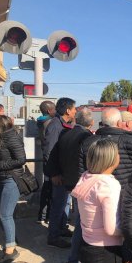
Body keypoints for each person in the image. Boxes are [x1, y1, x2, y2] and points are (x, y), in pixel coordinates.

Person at [47, 108, 94, 263]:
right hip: (78, 181)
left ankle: (55, 235)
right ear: (91, 122)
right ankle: (73, 255)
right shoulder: (86, 137)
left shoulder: (65, 133)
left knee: (59, 208)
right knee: (81, 218)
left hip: (63, 178)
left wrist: (54, 173)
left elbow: (54, 154)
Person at [72, 139, 123, 263]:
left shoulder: (86, 177)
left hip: (87, 244)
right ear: (109, 159)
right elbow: (111, 229)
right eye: (117, 153)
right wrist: (130, 233)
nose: (119, 155)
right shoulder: (108, 185)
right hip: (106, 250)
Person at [78, 108, 132, 188]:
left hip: (97, 195)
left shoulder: (87, 142)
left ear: (102, 122)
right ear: (119, 122)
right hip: (126, 194)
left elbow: (81, 173)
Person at [45, 97, 76, 248]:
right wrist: (54, 174)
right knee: (58, 206)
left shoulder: (64, 124)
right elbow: (49, 153)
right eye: (74, 108)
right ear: (68, 110)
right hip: (58, 175)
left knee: (64, 203)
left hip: (65, 173)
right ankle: (53, 236)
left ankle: (62, 228)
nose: (76, 111)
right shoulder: (55, 126)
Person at [0, 116, 26, 262]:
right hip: (2, 178)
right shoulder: (1, 137)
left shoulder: (11, 137)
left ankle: (10, 249)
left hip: (11, 179)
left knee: (5, 215)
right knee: (3, 214)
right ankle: (11, 239)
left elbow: (21, 159)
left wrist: (0, 165)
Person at [37, 100, 56, 224]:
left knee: (47, 188)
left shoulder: (41, 121)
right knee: (50, 189)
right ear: (49, 111)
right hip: (50, 161)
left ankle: (42, 216)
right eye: (54, 109)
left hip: (46, 159)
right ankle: (47, 216)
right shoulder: (50, 123)